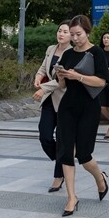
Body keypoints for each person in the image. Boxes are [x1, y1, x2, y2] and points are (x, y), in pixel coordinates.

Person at [55, 15, 109, 217]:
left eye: (79, 34)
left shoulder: (97, 53)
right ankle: (71, 198)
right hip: (68, 107)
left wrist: (78, 76)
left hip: (89, 108)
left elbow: (102, 82)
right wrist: (61, 76)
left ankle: (100, 178)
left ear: (88, 32)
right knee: (65, 153)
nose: (75, 38)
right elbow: (62, 86)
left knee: (84, 156)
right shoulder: (68, 55)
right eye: (72, 34)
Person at [32, 21, 71, 192]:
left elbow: (63, 79)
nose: (61, 34)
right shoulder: (50, 49)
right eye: (59, 30)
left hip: (65, 100)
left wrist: (43, 88)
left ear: (71, 35)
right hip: (49, 99)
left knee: (62, 139)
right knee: (45, 136)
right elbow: (43, 67)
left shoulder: (72, 53)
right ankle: (62, 161)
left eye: (65, 31)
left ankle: (58, 176)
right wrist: (38, 76)